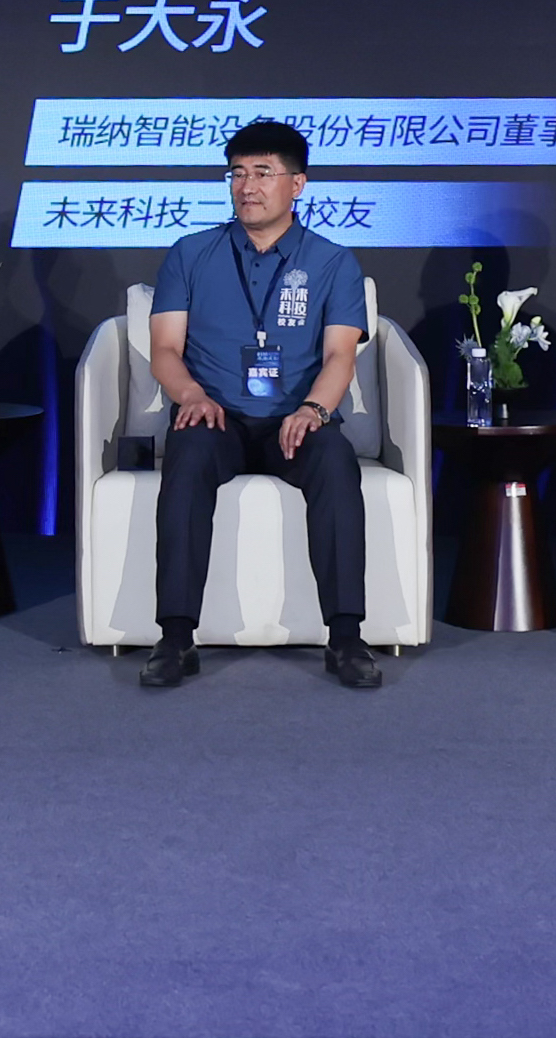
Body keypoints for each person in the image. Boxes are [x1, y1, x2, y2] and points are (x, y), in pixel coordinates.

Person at [136, 120, 383, 690]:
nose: (247, 186)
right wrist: (192, 396)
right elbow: (165, 349)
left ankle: (346, 637)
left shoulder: (332, 262)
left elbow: (340, 356)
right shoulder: (191, 254)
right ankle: (176, 637)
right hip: (215, 415)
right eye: (238, 173)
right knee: (188, 453)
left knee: (335, 461)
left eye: (263, 173)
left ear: (297, 184)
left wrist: (313, 410)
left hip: (295, 421)